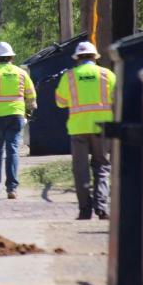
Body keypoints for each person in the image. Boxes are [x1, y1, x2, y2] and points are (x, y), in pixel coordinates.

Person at [55, 41, 117, 220]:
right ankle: (101, 207)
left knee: (80, 169)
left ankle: (84, 210)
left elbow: (60, 101)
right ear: (95, 57)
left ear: (77, 58)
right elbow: (117, 98)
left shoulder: (69, 77)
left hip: (78, 128)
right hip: (102, 127)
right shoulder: (108, 75)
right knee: (102, 166)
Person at [0, 42, 37, 199]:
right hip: (16, 116)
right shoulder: (21, 73)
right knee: (13, 150)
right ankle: (12, 188)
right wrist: (28, 112)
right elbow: (31, 95)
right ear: (11, 57)